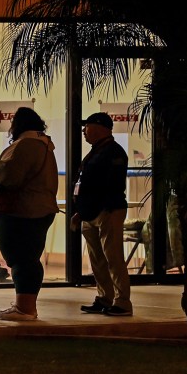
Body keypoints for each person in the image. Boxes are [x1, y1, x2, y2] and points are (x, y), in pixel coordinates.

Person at [0, 106, 59, 321]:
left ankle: (24, 308)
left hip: (20, 213)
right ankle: (27, 305)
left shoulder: (25, 146)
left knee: (22, 260)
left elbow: (4, 175)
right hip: (36, 210)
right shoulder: (44, 146)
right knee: (29, 259)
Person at [72, 111, 133, 316]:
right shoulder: (95, 151)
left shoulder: (114, 152)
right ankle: (104, 298)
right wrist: (81, 212)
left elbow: (111, 185)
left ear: (99, 128)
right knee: (97, 260)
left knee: (113, 257)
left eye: (86, 126)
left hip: (108, 211)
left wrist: (101, 208)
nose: (83, 131)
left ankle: (122, 302)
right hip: (89, 214)